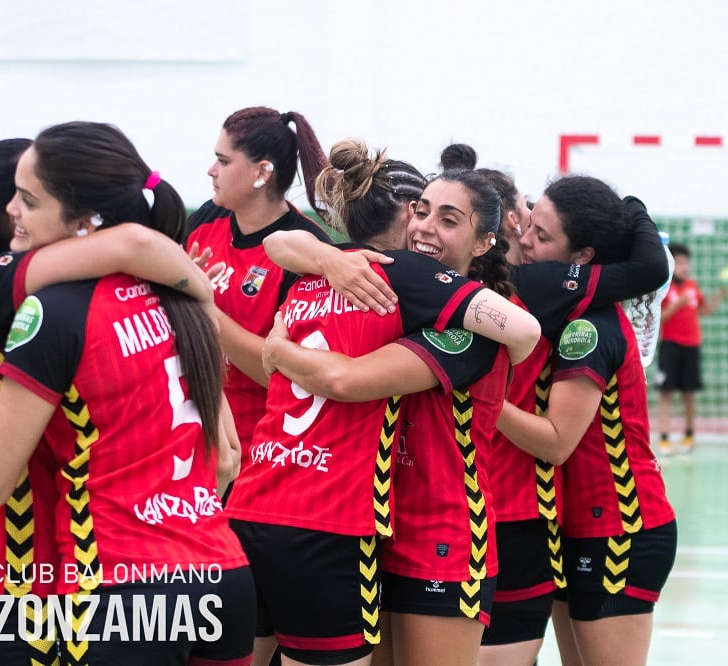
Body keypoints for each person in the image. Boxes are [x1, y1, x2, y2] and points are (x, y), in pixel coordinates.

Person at [0, 121, 255, 665]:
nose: (15, 212)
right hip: (223, 575)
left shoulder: (48, 309)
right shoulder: (178, 299)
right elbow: (226, 461)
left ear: (82, 218)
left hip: (121, 590)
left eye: (29, 201)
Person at [229, 140, 540, 666]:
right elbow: (282, 244)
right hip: (370, 527)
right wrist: (331, 260)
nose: (424, 228)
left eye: (448, 220)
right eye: (421, 212)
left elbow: (347, 380)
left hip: (438, 535)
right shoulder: (388, 295)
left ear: (485, 241)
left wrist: (277, 349)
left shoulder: (473, 329)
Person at [497, 175, 678, 666]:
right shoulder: (561, 305)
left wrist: (481, 403)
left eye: (544, 236)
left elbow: (557, 443)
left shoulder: (587, 328)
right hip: (574, 525)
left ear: (581, 257)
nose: (527, 241)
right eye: (530, 225)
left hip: (619, 526)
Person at [187, 106, 333, 470]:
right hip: (195, 439)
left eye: (223, 160)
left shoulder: (308, 251)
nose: (211, 170)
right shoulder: (207, 219)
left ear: (263, 171)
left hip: (261, 455)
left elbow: (285, 377)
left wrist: (201, 307)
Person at [655, 242, 728, 454]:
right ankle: (665, 438)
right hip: (670, 346)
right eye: (679, 262)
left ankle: (689, 436)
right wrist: (676, 306)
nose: (684, 266)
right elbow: (660, 319)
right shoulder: (665, 289)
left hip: (692, 347)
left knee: (689, 394)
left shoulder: (692, 287)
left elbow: (705, 311)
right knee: (666, 393)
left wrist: (721, 295)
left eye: (686, 262)